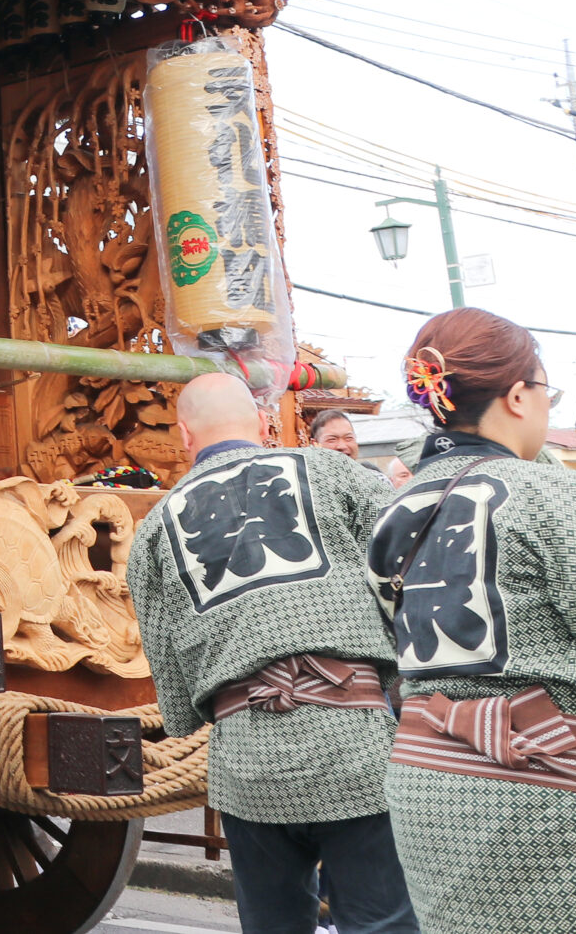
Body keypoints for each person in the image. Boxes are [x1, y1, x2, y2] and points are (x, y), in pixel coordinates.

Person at [371, 308, 576, 934]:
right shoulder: (555, 494)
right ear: (519, 395)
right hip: (562, 803)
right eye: (546, 391)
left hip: (430, 795)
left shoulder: (393, 510)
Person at [125, 373, 417, 934]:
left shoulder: (157, 527)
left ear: (185, 435)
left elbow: (174, 689)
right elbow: (405, 560)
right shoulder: (332, 472)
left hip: (246, 760)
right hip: (354, 741)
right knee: (384, 923)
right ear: (264, 423)